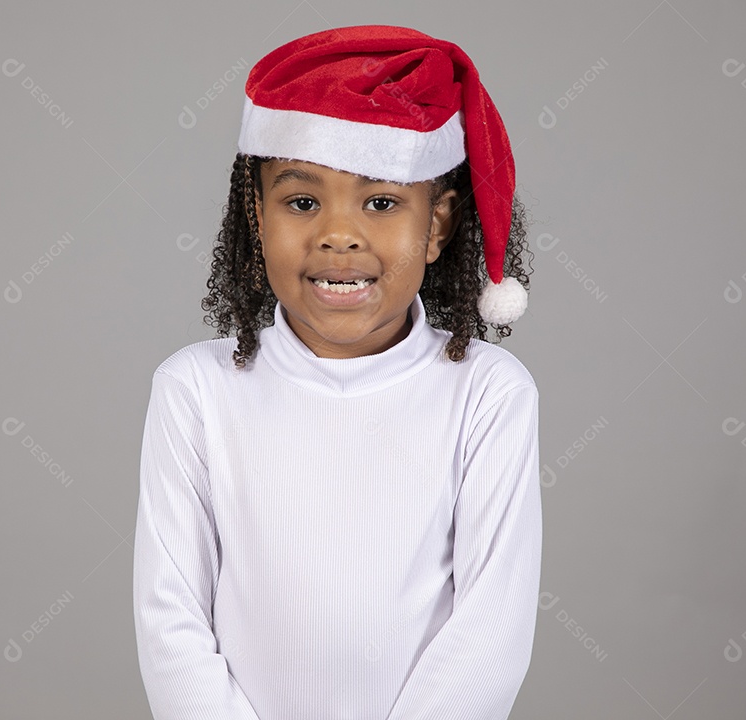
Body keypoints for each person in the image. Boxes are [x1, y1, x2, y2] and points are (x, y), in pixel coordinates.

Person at [133, 24, 541, 720]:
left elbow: (490, 629)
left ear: (438, 225)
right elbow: (171, 622)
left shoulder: (487, 393)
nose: (338, 234)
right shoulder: (195, 391)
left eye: (381, 202)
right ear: (257, 217)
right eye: (301, 201)